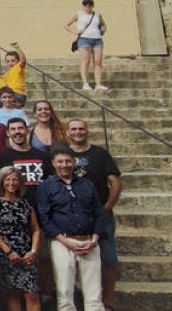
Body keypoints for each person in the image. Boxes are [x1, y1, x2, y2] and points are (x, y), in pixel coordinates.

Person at [38, 146, 109, 311]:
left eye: (68, 161)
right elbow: (45, 217)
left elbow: (99, 213)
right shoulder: (46, 186)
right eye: (60, 161)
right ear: (53, 164)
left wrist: (94, 240)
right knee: (64, 291)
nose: (64, 165)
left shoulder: (87, 184)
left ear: (74, 162)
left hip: (89, 241)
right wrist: (66, 242)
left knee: (94, 292)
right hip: (62, 241)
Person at [67, 118, 122, 308]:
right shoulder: (63, 154)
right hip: (72, 216)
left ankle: (107, 302)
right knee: (72, 262)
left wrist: (107, 206)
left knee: (108, 258)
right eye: (74, 129)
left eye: (81, 128)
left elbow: (115, 182)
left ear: (87, 131)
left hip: (100, 214)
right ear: (68, 132)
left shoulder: (100, 154)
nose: (78, 132)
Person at [0, 167, 42, 311]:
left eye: (15, 179)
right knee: (12, 294)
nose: (11, 183)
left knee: (32, 294)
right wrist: (9, 252)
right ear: (1, 182)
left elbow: (36, 229)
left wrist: (33, 251)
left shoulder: (26, 204)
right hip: (6, 255)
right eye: (8, 179)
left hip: (27, 254)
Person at [66, 0, 108, 91]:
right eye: (85, 4)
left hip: (97, 39)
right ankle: (85, 83)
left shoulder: (97, 14)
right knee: (85, 60)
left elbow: (103, 24)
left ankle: (98, 84)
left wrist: (102, 30)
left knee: (97, 61)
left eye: (90, 4)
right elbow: (66, 25)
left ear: (93, 5)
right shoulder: (79, 14)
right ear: (83, 5)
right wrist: (75, 32)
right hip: (84, 39)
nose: (88, 6)